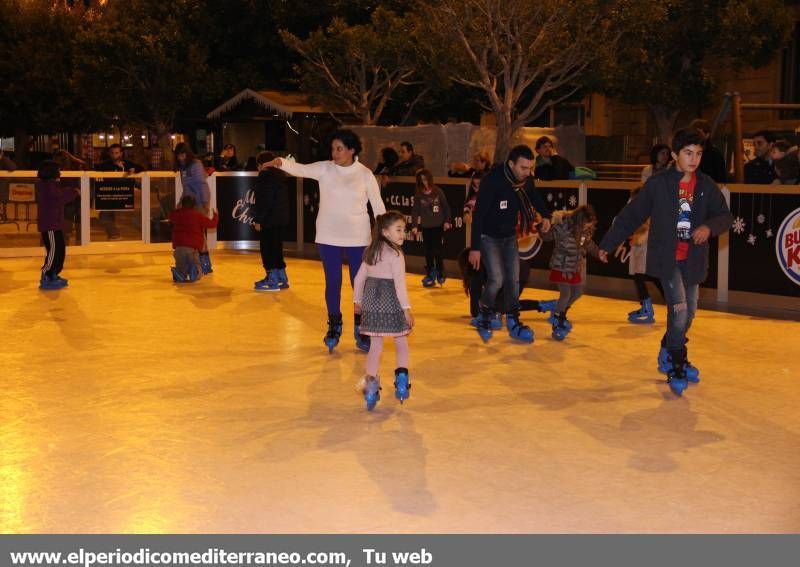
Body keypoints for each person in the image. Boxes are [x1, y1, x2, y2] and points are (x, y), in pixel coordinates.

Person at [597, 128, 733, 396]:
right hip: (667, 260)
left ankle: (667, 349)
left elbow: (725, 216)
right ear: (674, 155)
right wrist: (608, 243)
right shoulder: (659, 184)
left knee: (688, 313)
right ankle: (677, 363)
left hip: (692, 261)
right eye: (688, 153)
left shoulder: (706, 186)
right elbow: (631, 215)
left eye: (698, 154)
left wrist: (708, 227)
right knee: (679, 311)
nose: (693, 159)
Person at [265, 129, 386, 353]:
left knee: (359, 285)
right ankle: (334, 325)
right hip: (328, 236)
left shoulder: (365, 174)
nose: (335, 152)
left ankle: (362, 327)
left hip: (358, 237)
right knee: (333, 282)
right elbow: (300, 168)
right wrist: (280, 162)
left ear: (352, 150)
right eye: (333, 148)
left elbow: (378, 207)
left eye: (339, 148)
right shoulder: (325, 168)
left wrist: (385, 234)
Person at [469, 144, 552, 343]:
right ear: (511, 164)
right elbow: (478, 215)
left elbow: (534, 197)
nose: (527, 173)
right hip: (488, 237)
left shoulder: (525, 181)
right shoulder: (493, 181)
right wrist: (475, 248)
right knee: (497, 279)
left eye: (530, 168)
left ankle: (513, 320)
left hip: (508, 237)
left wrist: (547, 215)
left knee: (513, 279)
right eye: (523, 168)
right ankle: (485, 313)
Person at [353, 211, 414, 411]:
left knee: (375, 347)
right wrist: (406, 309)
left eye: (403, 230)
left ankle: (371, 389)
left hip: (371, 304)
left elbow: (359, 279)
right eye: (398, 230)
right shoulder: (396, 255)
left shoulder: (371, 251)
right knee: (401, 341)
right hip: (391, 304)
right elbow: (400, 285)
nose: (402, 234)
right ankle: (402, 379)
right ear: (385, 232)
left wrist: (357, 300)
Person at [541, 206, 603, 340]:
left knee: (578, 292)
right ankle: (557, 322)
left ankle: (559, 311)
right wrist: (542, 228)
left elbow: (589, 244)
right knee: (566, 293)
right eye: (587, 223)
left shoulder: (585, 231)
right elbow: (547, 236)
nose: (590, 226)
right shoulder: (563, 226)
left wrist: (599, 253)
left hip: (573, 267)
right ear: (580, 220)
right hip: (561, 266)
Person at [458, 248, 556, 329]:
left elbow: (474, 307)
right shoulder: (484, 259)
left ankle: (545, 305)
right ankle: (546, 305)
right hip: (519, 269)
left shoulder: (477, 268)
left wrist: (481, 312)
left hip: (515, 273)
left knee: (501, 306)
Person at [36, 160, 80, 290]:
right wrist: (74, 192)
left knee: (60, 250)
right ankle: (46, 274)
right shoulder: (46, 186)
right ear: (52, 172)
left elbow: (59, 194)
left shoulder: (52, 185)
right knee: (54, 252)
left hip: (55, 224)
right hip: (50, 226)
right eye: (58, 170)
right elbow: (59, 199)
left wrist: (71, 189)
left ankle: (53, 274)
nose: (60, 172)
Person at [624, 187, 664, 324]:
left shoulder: (650, 210)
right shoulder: (638, 209)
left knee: (641, 277)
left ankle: (648, 307)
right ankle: (673, 304)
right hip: (641, 247)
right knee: (651, 277)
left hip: (646, 248)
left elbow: (652, 228)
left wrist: (640, 239)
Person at [253, 151, 290, 291]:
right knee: (277, 248)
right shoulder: (280, 176)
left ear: (262, 164)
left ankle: (272, 279)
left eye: (258, 165)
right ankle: (282, 277)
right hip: (281, 219)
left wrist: (258, 220)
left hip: (269, 219)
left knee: (267, 248)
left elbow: (264, 201)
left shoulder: (265, 176)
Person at [174, 143, 214, 274]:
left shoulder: (195, 165)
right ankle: (203, 265)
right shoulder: (183, 168)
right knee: (197, 234)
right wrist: (181, 202)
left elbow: (201, 185)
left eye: (183, 154)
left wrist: (204, 203)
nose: (181, 157)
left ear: (187, 153)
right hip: (189, 204)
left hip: (199, 203)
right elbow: (186, 188)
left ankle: (205, 265)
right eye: (179, 155)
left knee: (198, 234)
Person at [409, 168, 452, 287]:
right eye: (422, 180)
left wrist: (447, 221)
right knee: (428, 251)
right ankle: (430, 273)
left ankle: (440, 272)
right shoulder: (418, 194)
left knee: (437, 250)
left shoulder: (438, 191)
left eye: (426, 180)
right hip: (426, 226)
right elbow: (415, 211)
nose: (425, 183)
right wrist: (414, 226)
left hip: (438, 226)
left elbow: (446, 207)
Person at [96, 143, 144, 240]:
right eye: (112, 153)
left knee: (114, 216)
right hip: (108, 195)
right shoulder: (105, 164)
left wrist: (133, 170)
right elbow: (94, 169)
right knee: (104, 215)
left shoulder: (126, 163)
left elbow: (141, 168)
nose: (114, 155)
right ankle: (114, 234)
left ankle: (116, 235)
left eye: (117, 153)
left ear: (121, 153)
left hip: (123, 195)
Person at [168, 194, 219, 283]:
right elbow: (212, 224)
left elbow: (170, 216)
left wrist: (178, 208)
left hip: (178, 250)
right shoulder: (197, 216)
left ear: (182, 205)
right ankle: (195, 270)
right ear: (194, 206)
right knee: (198, 268)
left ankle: (179, 273)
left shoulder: (177, 214)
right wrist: (215, 215)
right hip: (192, 250)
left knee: (181, 268)